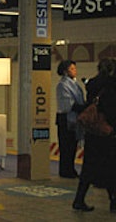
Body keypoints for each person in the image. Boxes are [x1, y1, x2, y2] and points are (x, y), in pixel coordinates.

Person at [72, 58, 116, 212]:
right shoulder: (112, 84)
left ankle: (79, 199)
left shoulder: (92, 83)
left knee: (88, 167)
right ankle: (113, 201)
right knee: (111, 167)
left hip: (93, 132)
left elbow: (90, 104)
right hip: (108, 132)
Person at [55, 60, 85, 179]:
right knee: (66, 146)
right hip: (66, 119)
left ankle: (70, 169)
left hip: (74, 119)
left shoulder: (75, 84)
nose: (75, 71)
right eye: (72, 69)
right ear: (65, 71)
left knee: (73, 146)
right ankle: (65, 170)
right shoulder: (63, 85)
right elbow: (68, 104)